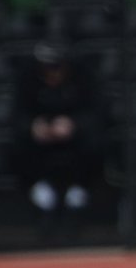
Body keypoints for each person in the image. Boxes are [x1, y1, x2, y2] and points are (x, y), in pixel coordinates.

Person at [11, 39, 105, 241]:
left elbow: (98, 113)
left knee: (97, 144)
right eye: (47, 68)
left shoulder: (84, 77)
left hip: (76, 144)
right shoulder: (27, 78)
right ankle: (43, 200)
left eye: (56, 68)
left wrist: (74, 125)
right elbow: (17, 115)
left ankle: (77, 199)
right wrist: (34, 127)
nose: (52, 73)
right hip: (39, 145)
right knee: (15, 148)